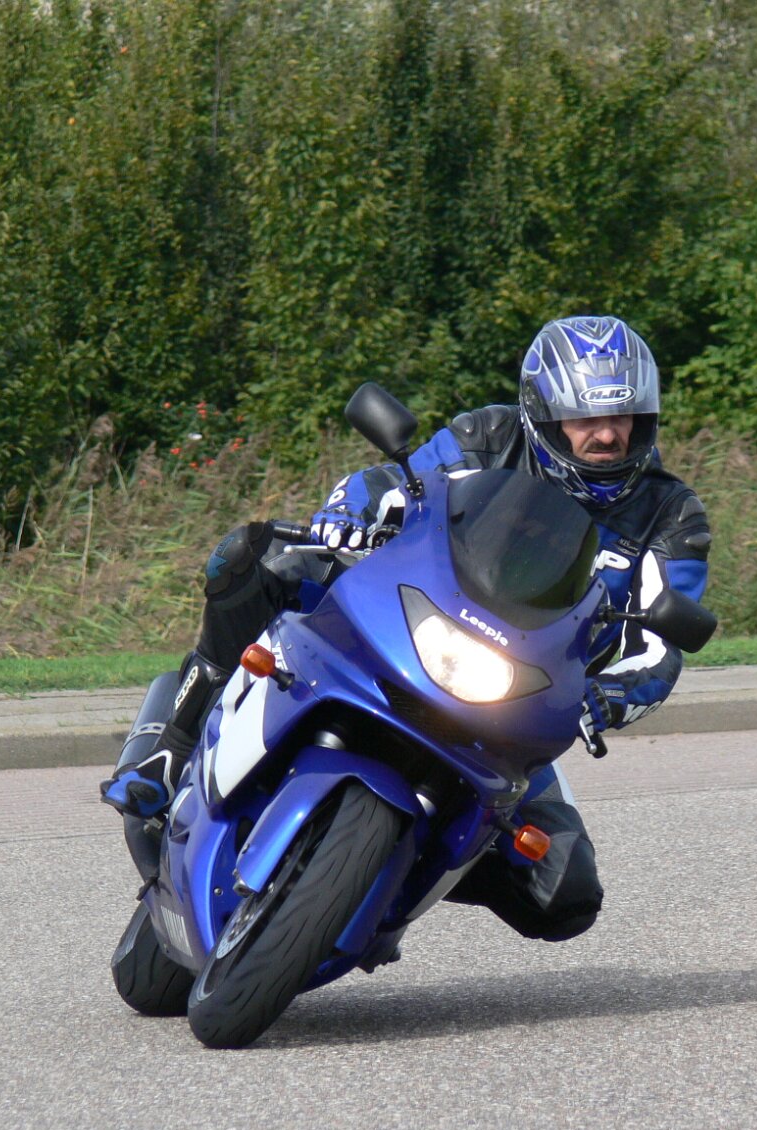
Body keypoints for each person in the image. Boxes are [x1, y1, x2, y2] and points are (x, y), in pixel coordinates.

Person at [102, 315, 710, 942]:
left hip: (520, 700)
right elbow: (391, 483)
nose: (608, 434)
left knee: (565, 895)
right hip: (407, 628)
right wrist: (346, 516)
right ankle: (170, 746)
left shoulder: (672, 515)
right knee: (256, 558)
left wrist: (606, 697)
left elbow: (659, 646)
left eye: (625, 417)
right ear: (544, 414)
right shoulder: (487, 435)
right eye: (586, 418)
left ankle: (384, 879)